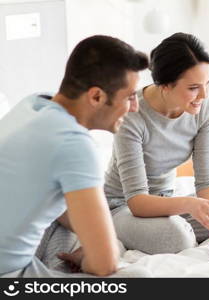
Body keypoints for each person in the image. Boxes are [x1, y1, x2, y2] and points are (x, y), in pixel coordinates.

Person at [104, 32, 209, 254]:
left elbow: (207, 180)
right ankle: (163, 231)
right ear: (165, 85)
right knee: (176, 238)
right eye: (193, 87)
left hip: (169, 201)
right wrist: (190, 205)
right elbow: (137, 201)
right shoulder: (132, 115)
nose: (204, 94)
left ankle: (180, 228)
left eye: (208, 83)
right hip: (125, 207)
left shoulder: (205, 108)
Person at [0, 35, 149, 277]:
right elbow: (105, 265)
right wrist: (95, 257)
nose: (135, 107)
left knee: (73, 227)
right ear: (96, 97)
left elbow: (50, 202)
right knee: (137, 277)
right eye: (130, 96)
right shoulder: (73, 143)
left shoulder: (34, 104)